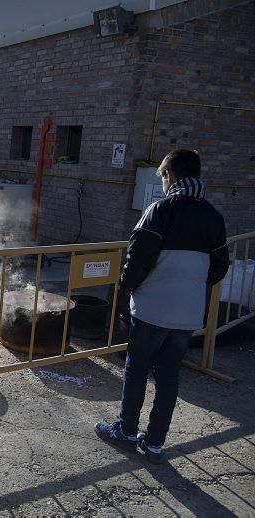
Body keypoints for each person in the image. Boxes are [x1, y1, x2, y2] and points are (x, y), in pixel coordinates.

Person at [95, 149, 229, 463]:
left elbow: (137, 260)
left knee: (137, 368)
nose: (164, 183)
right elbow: (220, 266)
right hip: (188, 313)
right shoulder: (214, 217)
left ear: (171, 175)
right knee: (169, 375)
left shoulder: (160, 210)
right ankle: (154, 443)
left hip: (152, 308)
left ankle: (126, 432)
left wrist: (125, 291)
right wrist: (190, 286)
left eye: (164, 177)